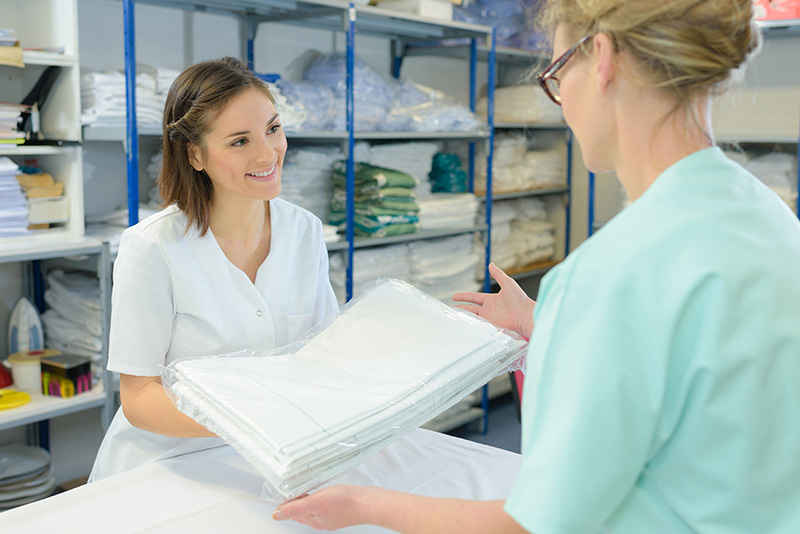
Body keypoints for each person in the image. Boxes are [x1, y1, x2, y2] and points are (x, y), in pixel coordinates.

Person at [273, 0, 800, 531]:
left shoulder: (612, 272)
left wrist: (363, 505)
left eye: (556, 73)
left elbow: (537, 524)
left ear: (602, 58)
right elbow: (699, 372)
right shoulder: (767, 217)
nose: (559, 99)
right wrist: (546, 325)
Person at [90, 57, 338, 481]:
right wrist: (252, 422)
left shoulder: (305, 232)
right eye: (239, 141)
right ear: (195, 155)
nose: (267, 152)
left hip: (276, 457)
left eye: (272, 129)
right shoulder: (153, 247)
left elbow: (324, 353)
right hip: (169, 465)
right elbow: (138, 397)